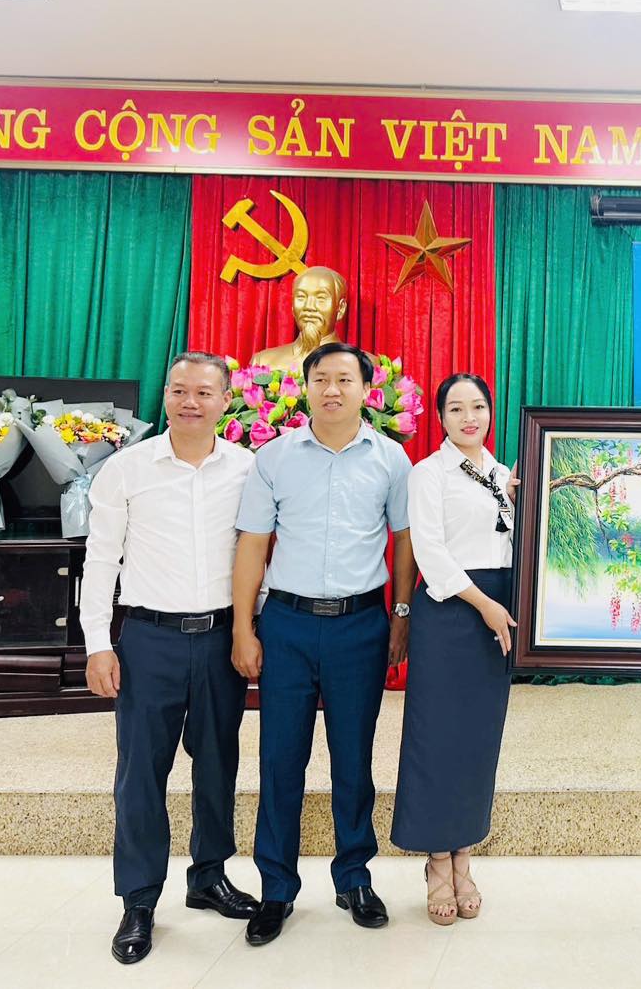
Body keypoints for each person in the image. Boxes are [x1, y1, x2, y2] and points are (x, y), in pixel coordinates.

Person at [230, 341, 415, 945]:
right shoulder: (274, 458)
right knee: (281, 759)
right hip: (286, 624)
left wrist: (401, 615)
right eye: (320, 379)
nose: (332, 389)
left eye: (344, 379)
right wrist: (243, 627)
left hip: (360, 626)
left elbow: (405, 540)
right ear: (305, 387)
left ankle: (354, 877)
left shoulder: (391, 459)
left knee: (353, 759)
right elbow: (252, 545)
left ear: (367, 389)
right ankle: (276, 888)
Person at [80, 352, 259, 965]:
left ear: (226, 401)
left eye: (204, 392)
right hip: (148, 639)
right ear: (166, 395)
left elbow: (258, 553)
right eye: (180, 390)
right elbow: (100, 559)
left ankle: (209, 876)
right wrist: (98, 643)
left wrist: (251, 626)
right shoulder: (126, 468)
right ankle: (138, 899)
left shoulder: (247, 468)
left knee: (217, 764)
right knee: (140, 772)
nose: (190, 402)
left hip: (220, 638)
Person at [393, 373, 519, 925]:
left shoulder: (506, 474)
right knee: (437, 738)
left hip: (498, 614)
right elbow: (430, 552)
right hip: (450, 612)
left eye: (478, 407)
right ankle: (437, 861)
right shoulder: (428, 473)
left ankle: (464, 854)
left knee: (477, 740)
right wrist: (484, 605)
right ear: (441, 418)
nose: (469, 418)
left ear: (491, 412)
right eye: (456, 409)